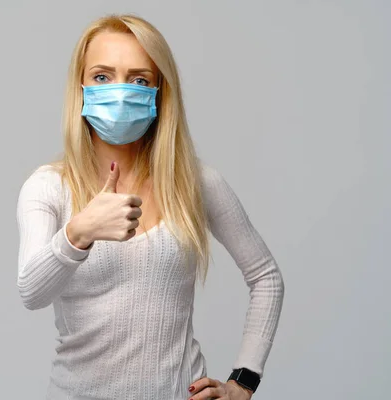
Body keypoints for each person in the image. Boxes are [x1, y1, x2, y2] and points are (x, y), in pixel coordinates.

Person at [16, 14, 284, 400]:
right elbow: (31, 292)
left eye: (139, 79)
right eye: (103, 77)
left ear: (159, 92)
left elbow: (266, 278)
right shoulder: (48, 187)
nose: (121, 92)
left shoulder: (195, 182)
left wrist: (243, 382)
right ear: (81, 86)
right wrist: (79, 232)